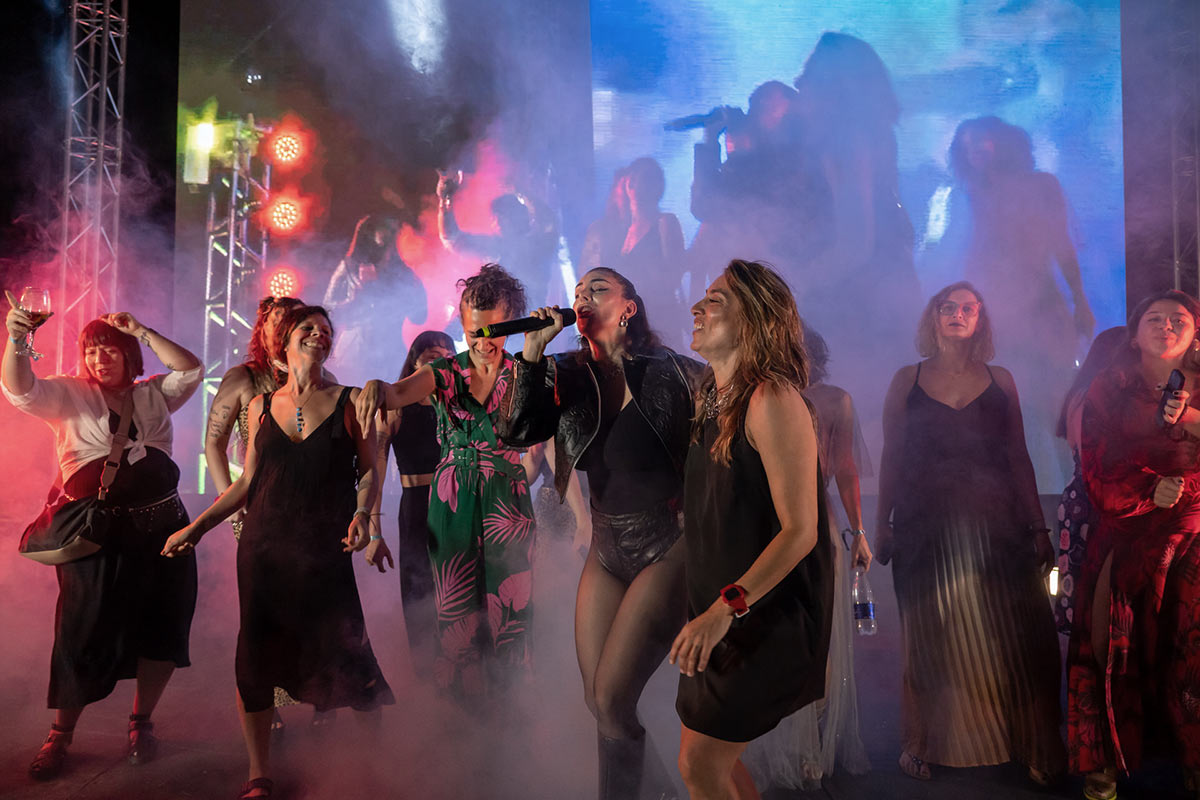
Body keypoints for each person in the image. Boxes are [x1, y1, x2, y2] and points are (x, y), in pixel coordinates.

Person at [163, 305, 394, 800]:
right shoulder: (260, 406)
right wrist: (197, 528)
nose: (318, 334)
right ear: (285, 344)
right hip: (263, 550)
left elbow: (370, 470)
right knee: (256, 657)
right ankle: (258, 774)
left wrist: (363, 515)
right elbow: (247, 482)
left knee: (349, 654)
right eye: (307, 328)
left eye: (325, 331)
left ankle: (375, 768)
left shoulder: (351, 400)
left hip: (325, 549)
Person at [500, 267, 703, 800]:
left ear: (628, 307)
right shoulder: (565, 372)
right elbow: (517, 431)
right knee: (600, 702)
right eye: (577, 292)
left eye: (597, 289)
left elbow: (723, 438)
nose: (582, 296)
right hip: (607, 547)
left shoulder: (674, 372)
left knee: (613, 699)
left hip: (667, 542)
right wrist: (532, 354)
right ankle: (659, 793)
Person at [2, 296, 202, 780]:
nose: (99, 358)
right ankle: (60, 734)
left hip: (164, 531)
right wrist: (17, 338)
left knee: (162, 630)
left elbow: (191, 369)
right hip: (98, 537)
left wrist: (142, 330)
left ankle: (141, 723)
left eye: (109, 348)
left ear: (130, 354)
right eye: (91, 350)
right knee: (81, 632)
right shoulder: (68, 393)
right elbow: (19, 389)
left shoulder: (155, 393)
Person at [874, 281, 1064, 784]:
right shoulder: (907, 379)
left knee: (1017, 634)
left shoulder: (1001, 379)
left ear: (980, 319)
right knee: (930, 634)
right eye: (948, 307)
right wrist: (881, 522)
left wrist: (1038, 527)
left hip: (998, 524)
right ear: (933, 316)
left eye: (968, 308)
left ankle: (1030, 746)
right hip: (924, 525)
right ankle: (921, 743)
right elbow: (892, 455)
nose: (958, 314)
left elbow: (1018, 455)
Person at [671, 259, 833, 800]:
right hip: (718, 611)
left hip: (763, 612)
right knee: (707, 761)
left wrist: (725, 610)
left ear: (755, 319)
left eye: (715, 300)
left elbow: (801, 531)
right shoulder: (710, 397)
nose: (697, 308)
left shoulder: (771, 399)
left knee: (699, 764)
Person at [357, 263, 535, 702]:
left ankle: (513, 711)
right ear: (462, 323)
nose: (483, 343)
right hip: (453, 497)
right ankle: (462, 713)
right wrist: (378, 387)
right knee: (457, 610)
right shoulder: (445, 372)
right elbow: (397, 392)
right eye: (474, 332)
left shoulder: (526, 371)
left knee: (513, 608)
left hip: (507, 499)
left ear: (513, 321)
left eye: (494, 331)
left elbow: (539, 437)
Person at [1068, 291, 1200, 800]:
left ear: (1195, 334)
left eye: (1178, 319)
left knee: (1190, 651)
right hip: (1127, 535)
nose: (1166, 326)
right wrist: (1149, 488)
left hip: (1194, 537)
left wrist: (1190, 425)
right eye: (1154, 318)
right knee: (1111, 649)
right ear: (1134, 334)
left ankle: (1193, 760)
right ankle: (1103, 764)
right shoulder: (1109, 388)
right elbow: (1095, 463)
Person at [928, 115, 1095, 488]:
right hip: (994, 313)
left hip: (1043, 308)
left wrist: (1080, 301)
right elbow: (961, 254)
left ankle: (1075, 492)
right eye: (967, 144)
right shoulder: (967, 194)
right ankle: (1027, 495)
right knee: (1010, 407)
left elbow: (1062, 246)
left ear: (1003, 143)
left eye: (981, 140)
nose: (974, 149)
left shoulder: (1040, 186)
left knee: (1057, 404)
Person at [744, 324, 872, 789]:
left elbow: (846, 469)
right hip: (762, 530)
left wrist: (859, 532)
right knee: (770, 637)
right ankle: (768, 745)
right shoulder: (755, 396)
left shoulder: (835, 401)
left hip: (817, 529)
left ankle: (808, 746)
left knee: (818, 639)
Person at [791, 33, 919, 424]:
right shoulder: (872, 137)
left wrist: (792, 291)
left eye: (808, 74)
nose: (799, 83)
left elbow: (855, 245)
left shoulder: (848, 144)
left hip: (858, 307)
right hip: (880, 295)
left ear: (834, 84)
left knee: (853, 413)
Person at [370, 330, 455, 676]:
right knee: (419, 592)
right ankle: (428, 680)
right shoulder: (395, 406)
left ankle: (466, 677)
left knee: (460, 589)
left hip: (458, 503)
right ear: (414, 362)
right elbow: (375, 470)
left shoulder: (460, 403)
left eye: (447, 356)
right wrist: (374, 531)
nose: (440, 362)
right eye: (432, 356)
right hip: (417, 507)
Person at [1052, 327, 1126, 637]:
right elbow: (1093, 457)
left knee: (1085, 586)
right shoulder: (1092, 396)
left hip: (1080, 498)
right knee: (1094, 590)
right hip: (1093, 499)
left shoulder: (1081, 393)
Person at [579, 159, 687, 349]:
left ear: (656, 186)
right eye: (632, 178)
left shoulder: (664, 223)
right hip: (623, 319)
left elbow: (674, 275)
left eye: (643, 178)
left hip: (658, 317)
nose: (635, 185)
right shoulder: (618, 231)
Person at [324, 214, 426, 384]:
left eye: (393, 233)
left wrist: (412, 289)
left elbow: (420, 317)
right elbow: (328, 312)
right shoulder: (349, 269)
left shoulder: (403, 273)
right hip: (354, 355)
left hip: (390, 357)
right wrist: (355, 298)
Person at [437, 173, 559, 308]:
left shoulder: (538, 244)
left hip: (531, 316)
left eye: (503, 216)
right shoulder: (494, 246)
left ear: (520, 217)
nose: (497, 222)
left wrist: (521, 191)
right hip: (498, 316)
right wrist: (446, 200)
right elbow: (454, 239)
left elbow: (549, 222)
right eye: (495, 217)